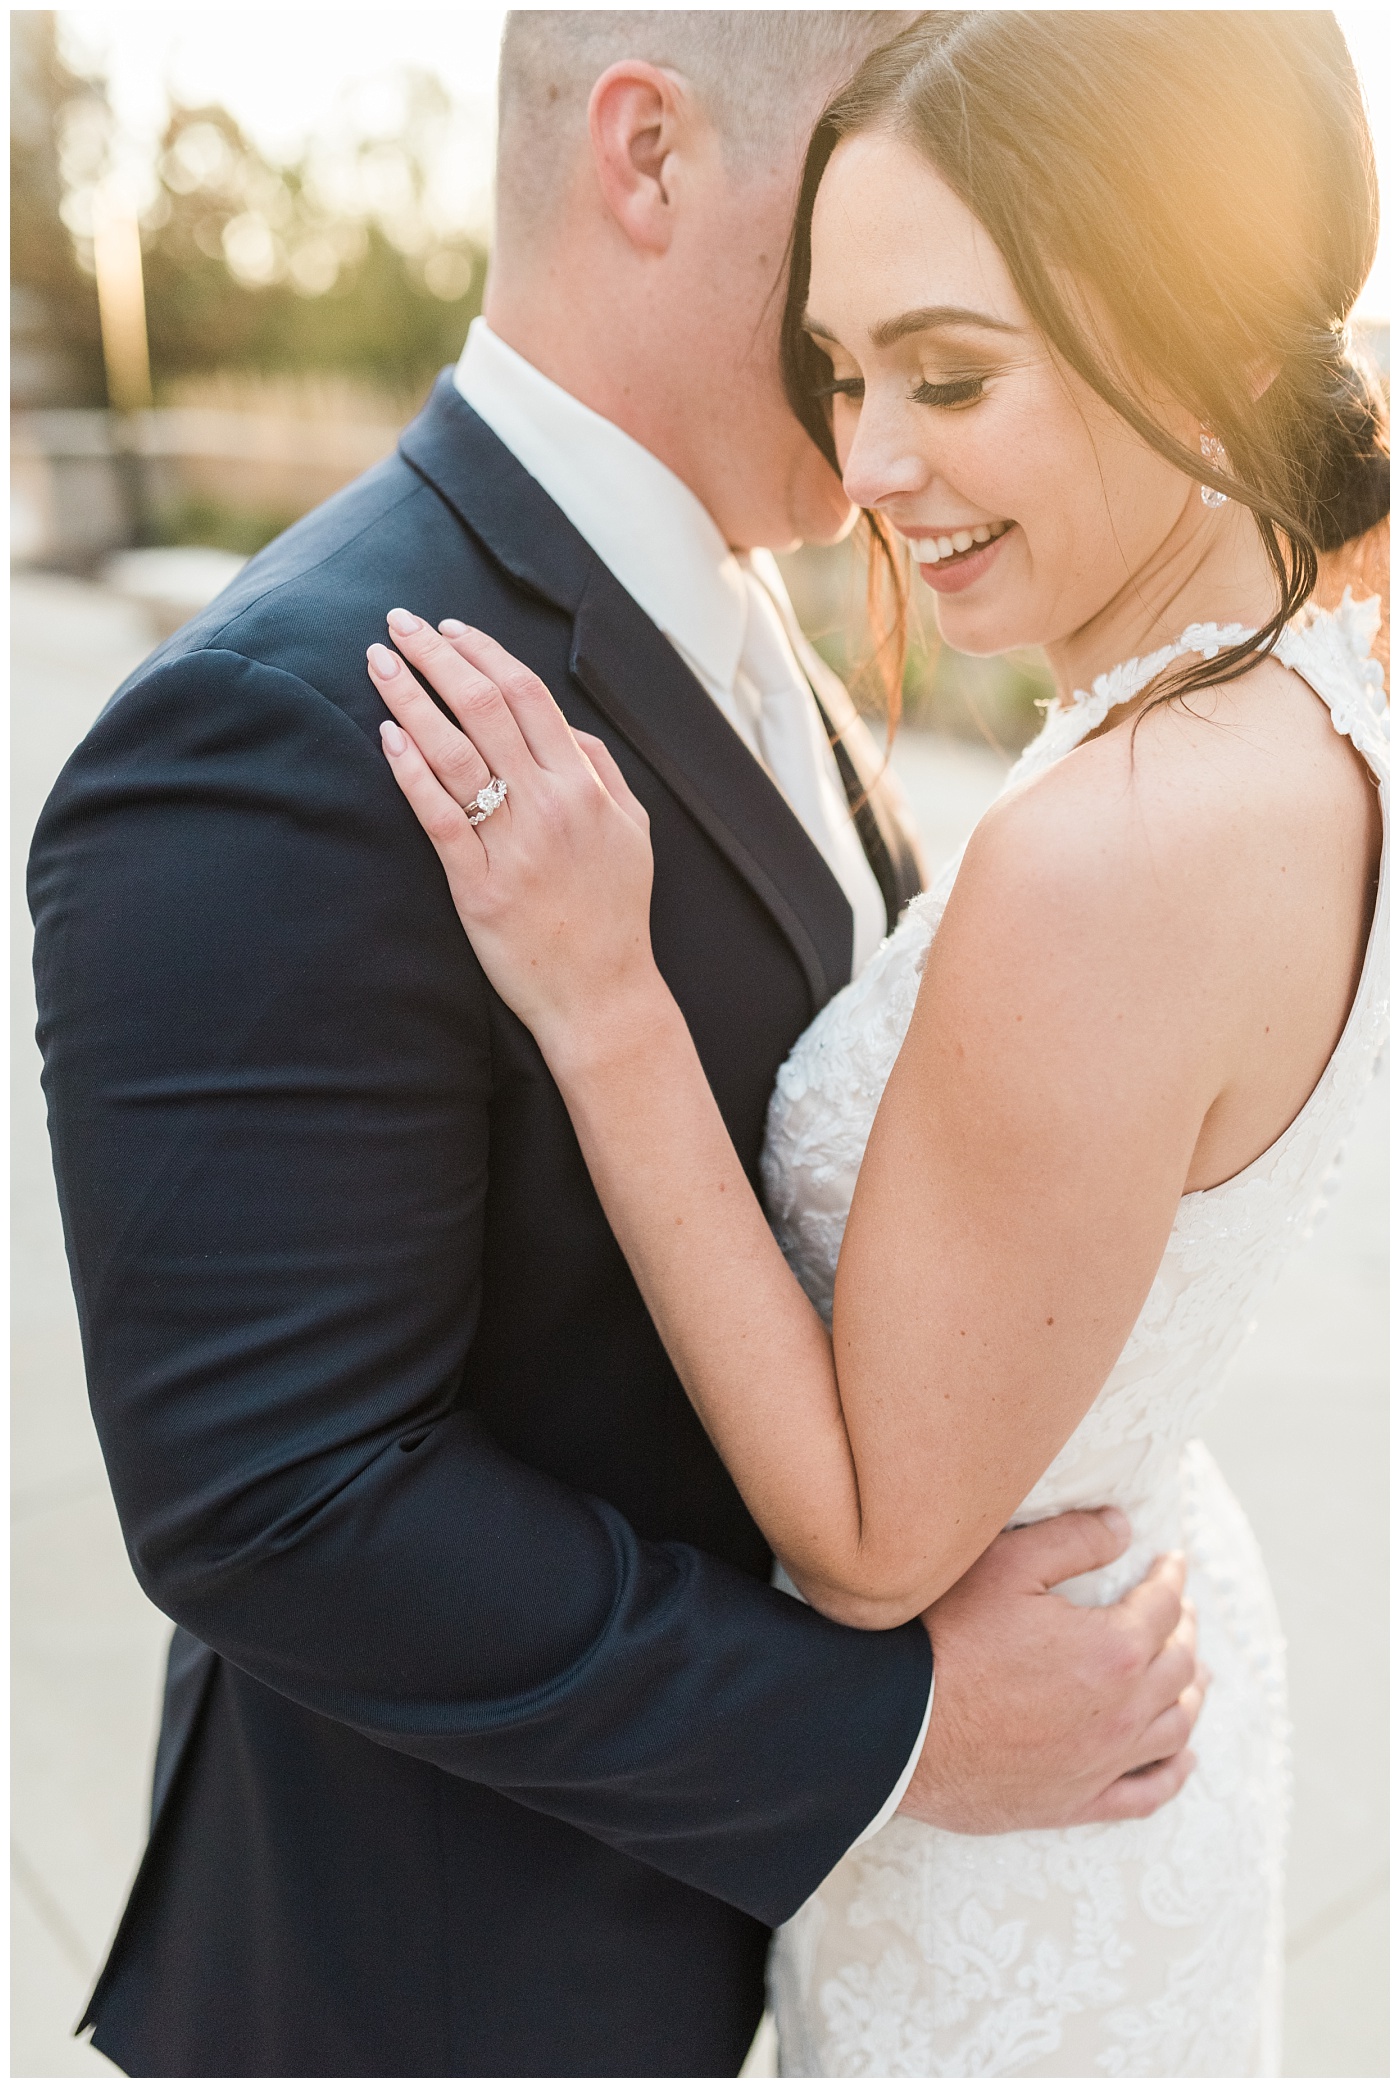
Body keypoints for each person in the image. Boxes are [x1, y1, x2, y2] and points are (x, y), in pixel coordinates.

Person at [31, 14, 1206, 2080]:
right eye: (866, 171)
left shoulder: (774, 618)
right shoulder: (281, 723)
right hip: (442, 2004)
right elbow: (278, 1499)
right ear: (646, 158)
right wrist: (906, 1726)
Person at [368, 10, 1389, 2078]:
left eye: (949, 373)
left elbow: (864, 1536)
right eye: (842, 375)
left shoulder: (1113, 851)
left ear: (1185, 336)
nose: (868, 464)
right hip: (1127, 1698)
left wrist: (604, 995)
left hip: (1011, 1843)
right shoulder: (1308, 696)